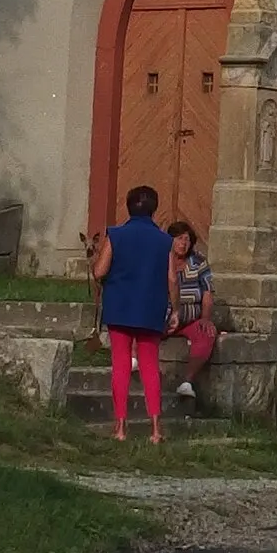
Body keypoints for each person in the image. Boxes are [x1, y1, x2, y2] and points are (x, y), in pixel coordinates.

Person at [90, 185, 172, 443]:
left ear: (128, 206)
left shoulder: (116, 235)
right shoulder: (164, 240)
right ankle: (156, 429)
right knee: (149, 365)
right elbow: (171, 278)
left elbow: (100, 271)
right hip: (151, 307)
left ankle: (121, 427)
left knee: (121, 365)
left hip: (120, 306)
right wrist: (177, 309)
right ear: (154, 209)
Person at [166, 219, 217, 402]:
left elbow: (207, 292)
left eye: (187, 240)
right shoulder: (160, 260)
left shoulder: (198, 262)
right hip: (165, 314)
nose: (183, 244)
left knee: (207, 333)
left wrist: (205, 318)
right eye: (179, 239)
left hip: (190, 317)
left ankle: (187, 382)